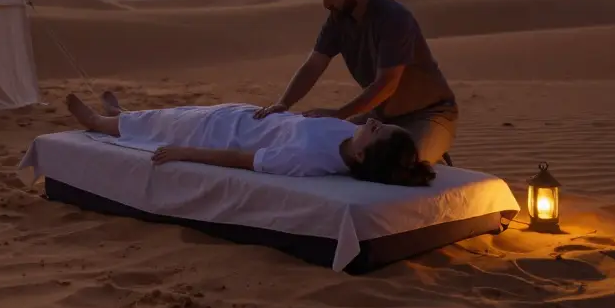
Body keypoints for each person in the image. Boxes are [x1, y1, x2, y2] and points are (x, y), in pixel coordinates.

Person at [254, 0, 458, 165]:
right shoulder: (337, 21)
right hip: (380, 118)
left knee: (397, 164)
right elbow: (314, 65)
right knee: (330, 148)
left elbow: (387, 83)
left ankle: (436, 158)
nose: (326, 4)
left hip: (428, 114)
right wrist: (283, 103)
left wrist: (340, 114)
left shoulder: (393, 18)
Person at [64, 91, 436, 186]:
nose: (372, 121)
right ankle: (122, 114)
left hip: (215, 134)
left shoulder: (305, 159)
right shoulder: (349, 134)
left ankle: (98, 122)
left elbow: (239, 161)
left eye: (377, 129)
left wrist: (183, 152)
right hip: (239, 115)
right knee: (164, 116)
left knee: (163, 124)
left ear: (362, 157)